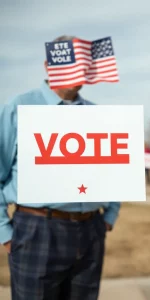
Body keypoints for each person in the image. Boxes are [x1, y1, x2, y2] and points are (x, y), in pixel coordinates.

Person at [0, 35, 121, 300]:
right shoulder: (18, 107)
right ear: (48, 65)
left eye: (82, 65)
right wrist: (5, 232)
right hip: (36, 230)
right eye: (69, 63)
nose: (76, 72)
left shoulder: (99, 115)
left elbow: (114, 170)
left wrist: (109, 216)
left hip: (90, 231)